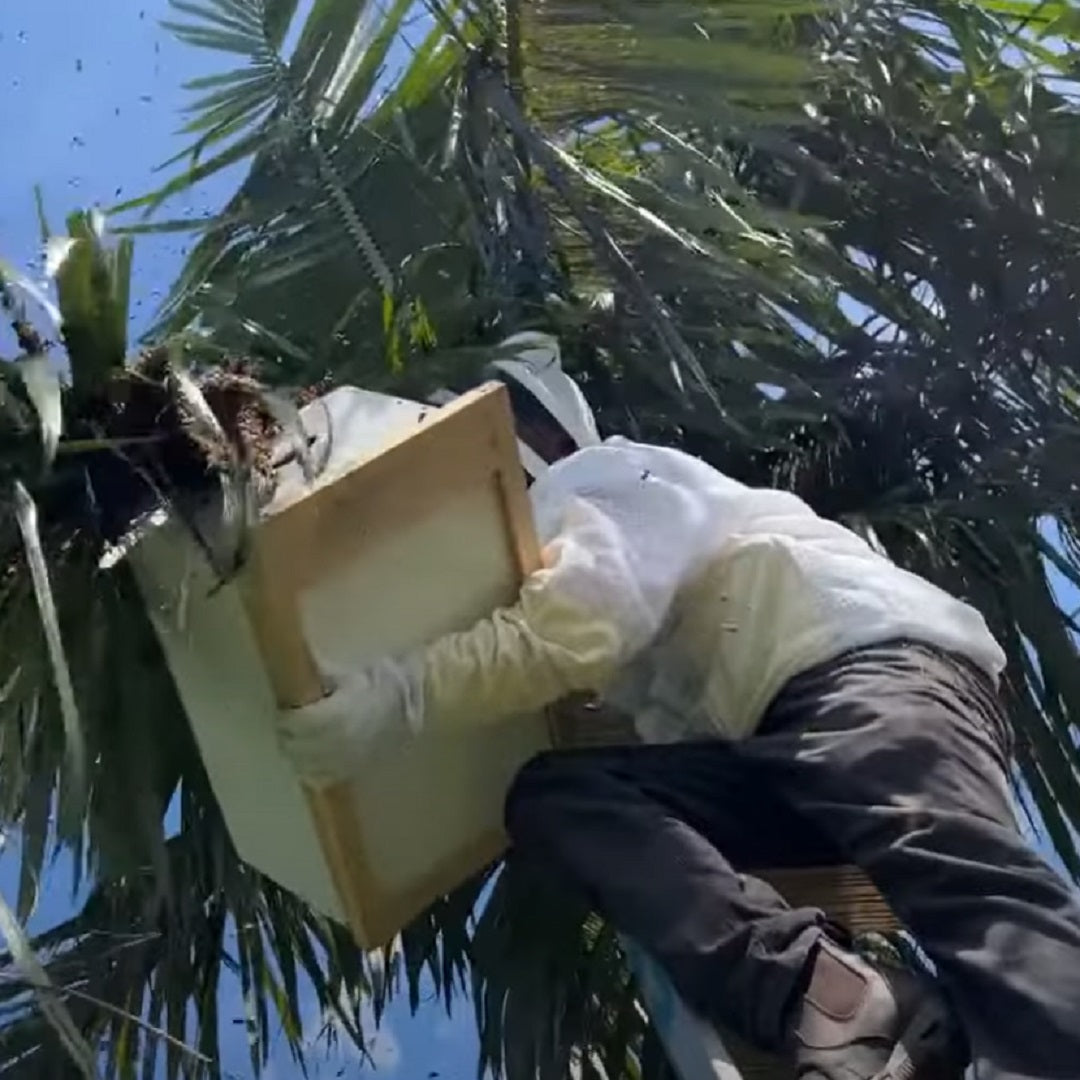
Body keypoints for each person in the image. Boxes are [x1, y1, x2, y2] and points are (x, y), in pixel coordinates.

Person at [276, 333, 1080, 1080]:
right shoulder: (634, 604)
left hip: (860, 674)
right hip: (787, 747)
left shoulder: (606, 473)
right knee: (565, 795)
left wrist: (404, 695)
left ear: (543, 435)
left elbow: (584, 618)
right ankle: (834, 999)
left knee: (965, 888)